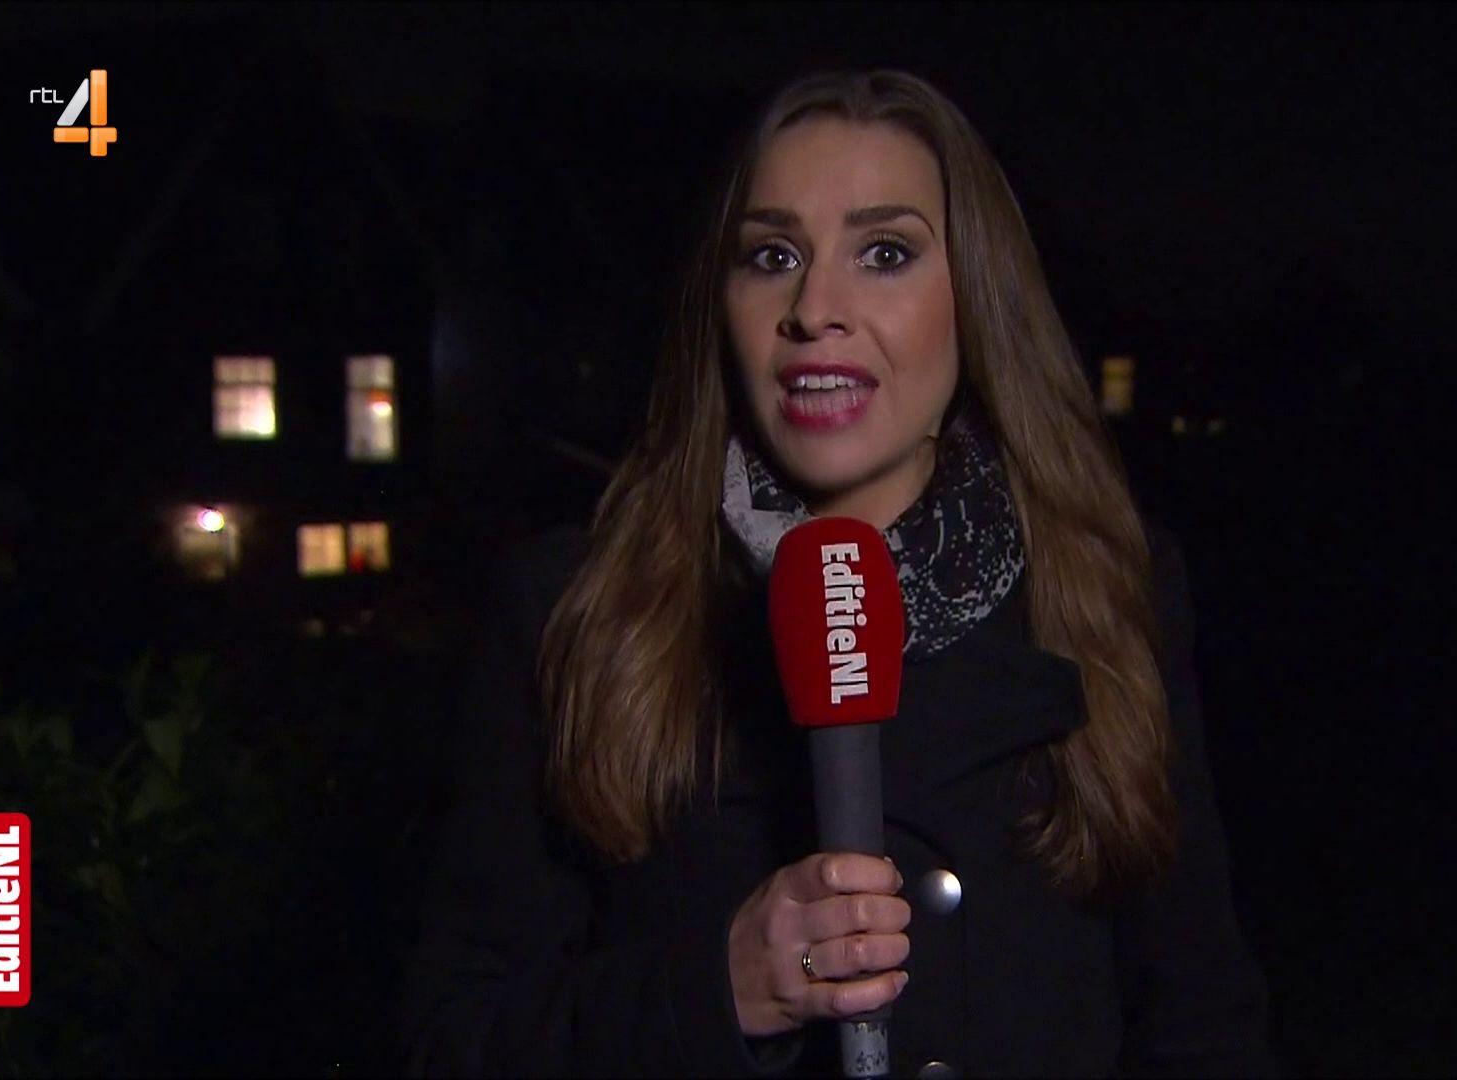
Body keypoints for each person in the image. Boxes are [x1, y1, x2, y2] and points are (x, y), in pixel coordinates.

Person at [400, 69, 1275, 1078]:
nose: (815, 309)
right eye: (772, 256)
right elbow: (451, 1039)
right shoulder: (575, 605)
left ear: (977, 300)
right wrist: (718, 995)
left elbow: (1204, 1024)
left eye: (885, 253)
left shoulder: (1111, 586)